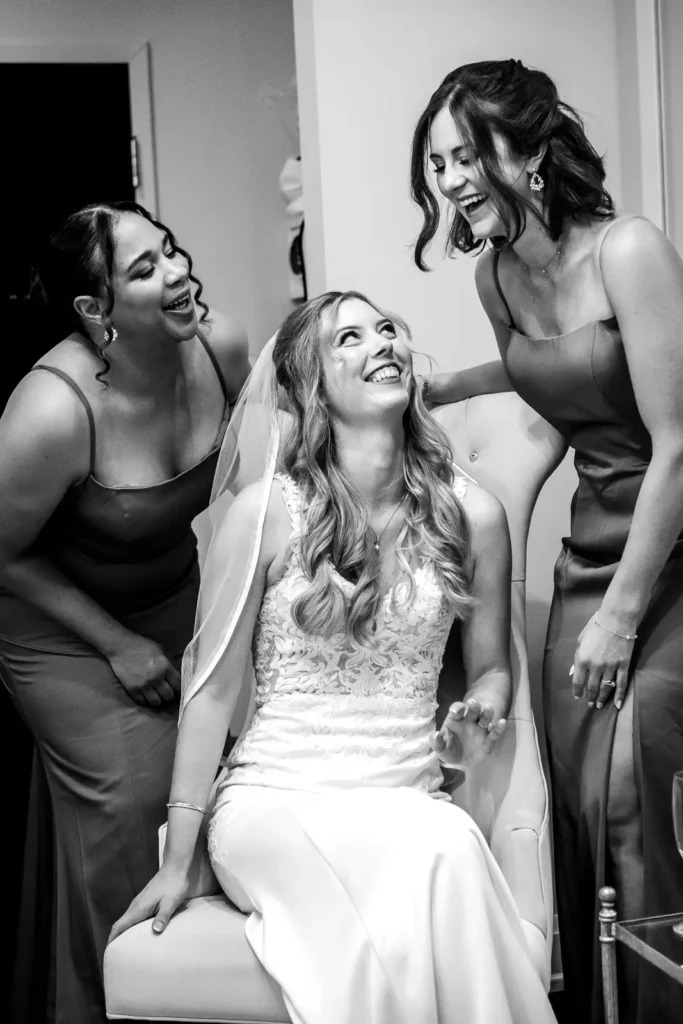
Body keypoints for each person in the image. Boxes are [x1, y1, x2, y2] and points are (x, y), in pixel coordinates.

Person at [110, 291, 557, 1024]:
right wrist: (177, 860)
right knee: (385, 900)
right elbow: (212, 693)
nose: (381, 343)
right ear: (311, 386)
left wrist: (482, 711)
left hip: (400, 793)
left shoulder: (472, 514)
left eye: (386, 329)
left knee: (448, 847)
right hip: (274, 802)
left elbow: (491, 669)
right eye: (348, 338)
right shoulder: (265, 513)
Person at [410, 58, 683, 1024]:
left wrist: (620, 615)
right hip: (585, 561)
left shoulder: (629, 251)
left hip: (665, 555)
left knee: (625, 791)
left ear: (528, 153)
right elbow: (546, 368)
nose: (447, 181)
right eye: (435, 163)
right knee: (572, 795)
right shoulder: (496, 275)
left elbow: (677, 449)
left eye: (464, 155)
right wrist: (442, 389)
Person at [0, 200, 251, 1024]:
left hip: (172, 598)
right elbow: (4, 555)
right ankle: (121, 1004)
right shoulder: (52, 411)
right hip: (59, 629)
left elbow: (259, 483)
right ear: (94, 309)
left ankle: (208, 998)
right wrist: (115, 646)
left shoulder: (221, 347)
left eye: (171, 250)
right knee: (134, 805)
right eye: (145, 269)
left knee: (226, 793)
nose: (178, 273)